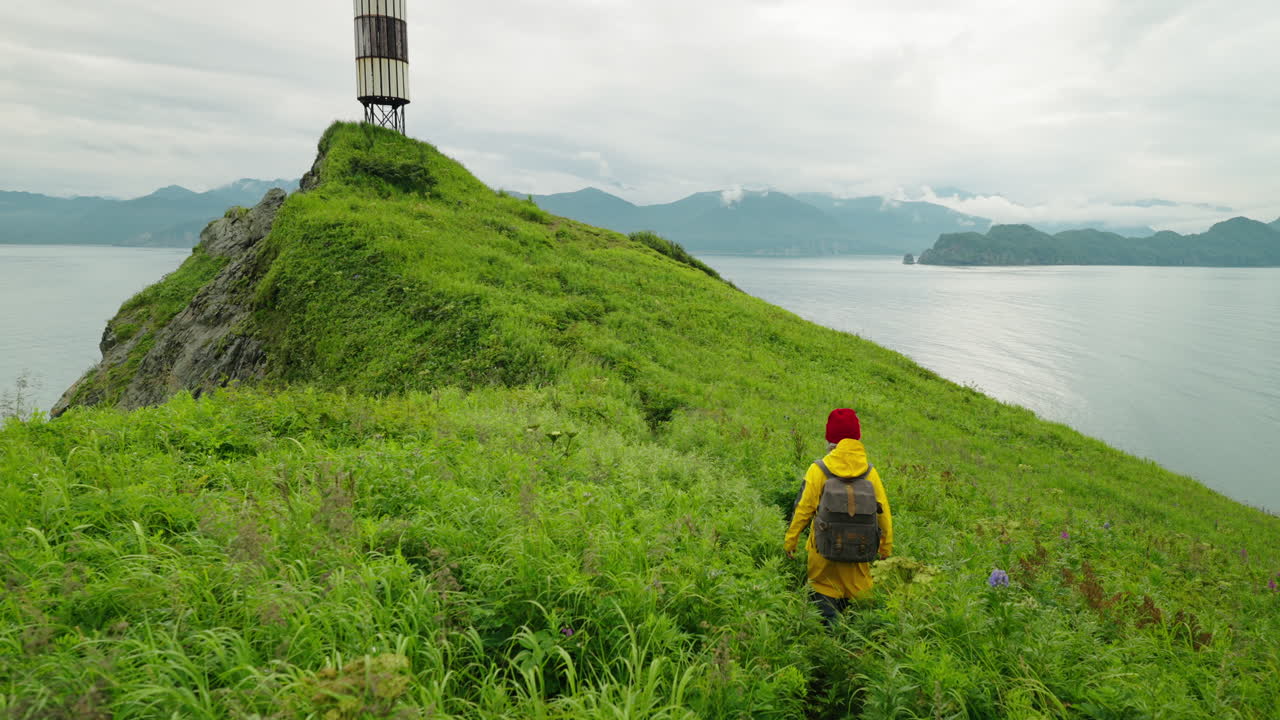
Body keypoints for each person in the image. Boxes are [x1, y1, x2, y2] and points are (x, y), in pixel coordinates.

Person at [784, 408, 893, 626]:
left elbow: (803, 510)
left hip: (824, 560)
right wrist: (885, 548)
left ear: (829, 438)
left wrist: (791, 540)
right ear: (857, 438)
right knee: (858, 621)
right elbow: (884, 515)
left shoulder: (819, 470)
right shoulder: (870, 472)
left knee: (822, 616)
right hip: (859, 560)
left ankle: (828, 638)